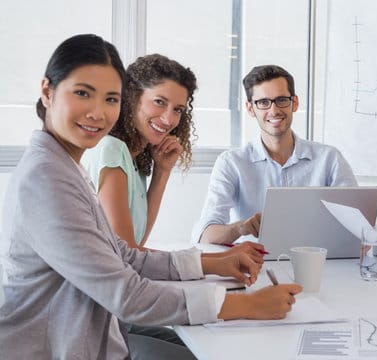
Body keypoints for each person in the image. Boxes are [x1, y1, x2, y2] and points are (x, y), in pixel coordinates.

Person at [0, 34, 302, 360]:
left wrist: (212, 265)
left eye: (110, 99)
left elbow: (126, 256)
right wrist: (247, 305)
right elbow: (125, 292)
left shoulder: (65, 168)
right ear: (48, 91)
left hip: (95, 337)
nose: (97, 112)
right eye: (83, 93)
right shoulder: (46, 180)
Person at [81, 54, 264, 260]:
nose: (169, 119)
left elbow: (138, 242)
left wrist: (162, 171)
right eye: (159, 102)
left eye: (178, 109)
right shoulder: (111, 149)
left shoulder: (133, 161)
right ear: (132, 97)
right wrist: (218, 260)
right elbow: (126, 254)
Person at [192, 64, 358, 245]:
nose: (274, 110)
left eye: (281, 100)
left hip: (317, 263)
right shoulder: (231, 163)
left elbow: (358, 226)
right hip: (254, 266)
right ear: (250, 108)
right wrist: (241, 228)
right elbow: (204, 237)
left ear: (294, 103)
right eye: (263, 102)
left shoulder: (329, 159)